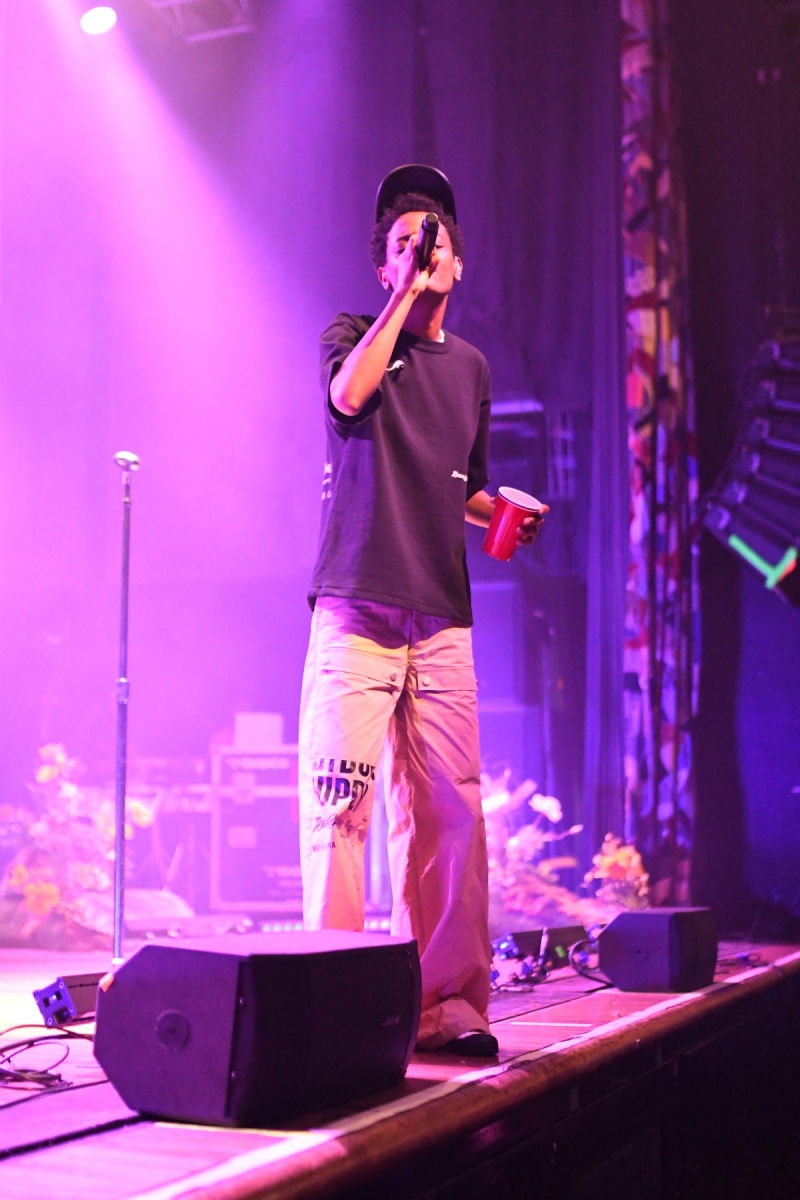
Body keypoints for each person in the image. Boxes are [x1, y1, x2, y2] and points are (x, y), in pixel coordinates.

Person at [298, 165, 545, 1056]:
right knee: (340, 811)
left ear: (459, 264)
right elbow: (348, 399)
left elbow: (461, 485)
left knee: (450, 814)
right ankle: (328, 1014)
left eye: (433, 239)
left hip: (440, 615)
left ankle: (447, 1008)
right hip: (357, 607)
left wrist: (497, 509)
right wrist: (402, 298)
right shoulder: (352, 335)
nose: (422, 247)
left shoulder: (471, 367)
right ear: (384, 269)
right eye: (404, 242)